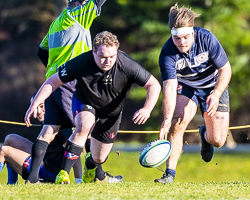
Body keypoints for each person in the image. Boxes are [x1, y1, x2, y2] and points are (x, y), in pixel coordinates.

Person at [25, 31, 161, 184]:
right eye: (103, 57)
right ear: (94, 51)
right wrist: (36, 102)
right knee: (84, 125)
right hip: (85, 101)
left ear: (117, 50)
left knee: (99, 157)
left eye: (111, 57)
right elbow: (53, 81)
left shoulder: (126, 64)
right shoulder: (81, 62)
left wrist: (147, 108)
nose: (107, 61)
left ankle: (91, 168)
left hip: (111, 112)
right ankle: (63, 174)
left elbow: (153, 84)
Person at [27, 0, 119, 184]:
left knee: (48, 131)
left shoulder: (56, 22)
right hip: (69, 82)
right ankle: (98, 176)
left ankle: (32, 179)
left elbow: (41, 51)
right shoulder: (77, 16)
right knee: (87, 125)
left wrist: (55, 71)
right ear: (79, 2)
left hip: (54, 82)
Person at [154, 3, 232, 184]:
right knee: (176, 124)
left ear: (193, 33)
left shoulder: (207, 38)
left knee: (218, 140)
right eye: (177, 38)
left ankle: (205, 135)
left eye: (186, 37)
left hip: (213, 85)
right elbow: (170, 87)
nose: (182, 42)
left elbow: (225, 70)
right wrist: (166, 118)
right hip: (187, 87)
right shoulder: (167, 53)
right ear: (172, 35)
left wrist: (217, 93)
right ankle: (169, 175)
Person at [0, 97, 82, 184]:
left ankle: (28, 179)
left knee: (3, 151)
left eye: (42, 106)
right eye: (35, 107)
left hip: (49, 173)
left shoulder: (59, 125)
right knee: (10, 138)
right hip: (43, 160)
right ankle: (12, 183)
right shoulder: (48, 122)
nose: (39, 111)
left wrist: (78, 180)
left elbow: (72, 151)